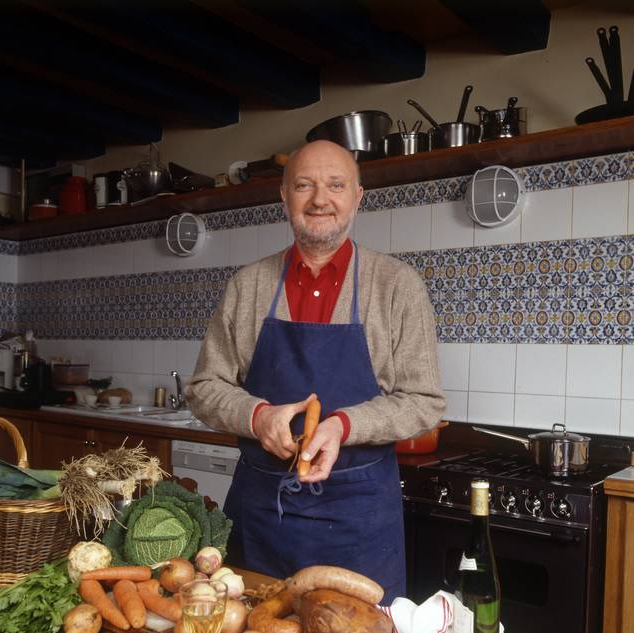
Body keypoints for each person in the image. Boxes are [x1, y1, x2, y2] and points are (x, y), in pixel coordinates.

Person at [185, 139, 445, 603]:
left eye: (336, 185)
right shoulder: (247, 286)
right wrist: (257, 416)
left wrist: (344, 425)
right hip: (262, 512)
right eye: (304, 185)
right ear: (284, 197)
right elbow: (205, 388)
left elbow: (424, 402)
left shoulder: (398, 286)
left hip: (359, 519)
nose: (320, 199)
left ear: (358, 197)